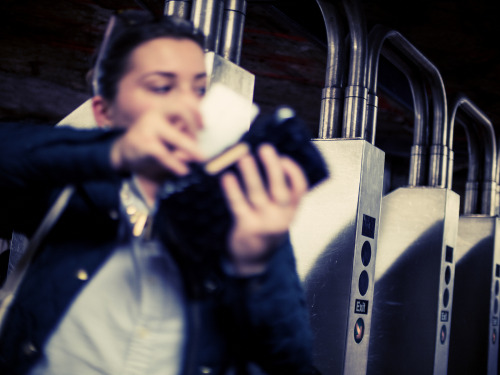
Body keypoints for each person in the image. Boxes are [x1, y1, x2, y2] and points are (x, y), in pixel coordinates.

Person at [0, 11, 317, 375]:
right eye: (162, 86)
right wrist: (113, 150)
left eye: (198, 89)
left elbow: (291, 361)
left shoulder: (241, 212)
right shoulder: (65, 189)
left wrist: (257, 268)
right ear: (105, 112)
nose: (188, 106)